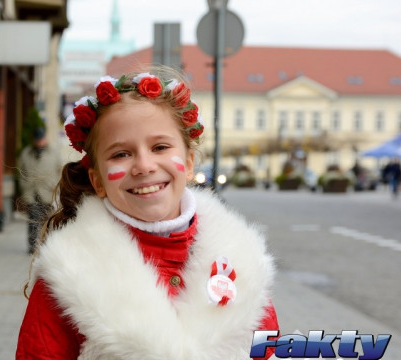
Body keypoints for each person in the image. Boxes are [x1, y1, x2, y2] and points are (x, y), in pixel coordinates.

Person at [16, 70, 278, 359]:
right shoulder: (68, 272)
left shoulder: (241, 261)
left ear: (190, 163)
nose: (144, 166)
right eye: (121, 154)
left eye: (160, 147)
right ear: (98, 180)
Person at [17, 127, 62, 254]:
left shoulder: (53, 152)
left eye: (41, 139)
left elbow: (60, 170)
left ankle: (46, 244)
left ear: (45, 138)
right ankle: (32, 246)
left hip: (48, 192)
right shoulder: (26, 153)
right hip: (32, 191)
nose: (39, 142)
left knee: (47, 221)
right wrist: (24, 186)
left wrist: (55, 185)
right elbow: (21, 171)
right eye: (37, 139)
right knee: (32, 220)